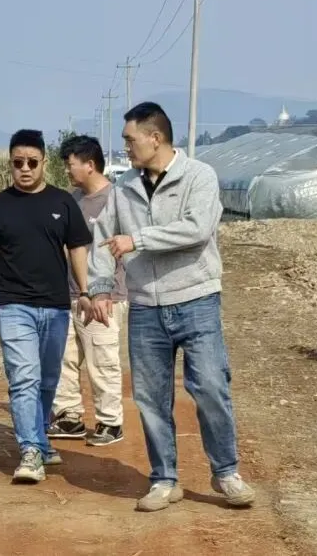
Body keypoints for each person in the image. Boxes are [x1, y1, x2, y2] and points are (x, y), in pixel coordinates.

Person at [84, 101, 256, 512]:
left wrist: (138, 240)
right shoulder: (124, 187)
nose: (126, 147)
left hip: (196, 299)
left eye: (130, 139)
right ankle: (164, 479)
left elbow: (197, 229)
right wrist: (101, 288)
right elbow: (104, 240)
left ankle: (226, 472)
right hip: (145, 307)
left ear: (155, 137)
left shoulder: (199, 176)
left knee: (210, 386)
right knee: (150, 397)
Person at [0, 129, 94, 483]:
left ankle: (40, 439)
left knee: (47, 379)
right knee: (24, 377)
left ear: (44, 163)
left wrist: (85, 291)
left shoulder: (63, 203)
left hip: (55, 306)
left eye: (31, 162)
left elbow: (77, 248)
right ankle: (29, 450)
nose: (24, 169)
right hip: (13, 306)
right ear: (10, 164)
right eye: (18, 163)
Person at [47, 135, 129, 447]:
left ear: (90, 165)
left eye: (71, 165)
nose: (67, 171)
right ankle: (69, 416)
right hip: (69, 294)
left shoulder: (117, 200)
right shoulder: (72, 200)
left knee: (102, 360)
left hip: (103, 297)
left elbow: (121, 250)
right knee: (64, 358)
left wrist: (101, 292)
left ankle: (110, 422)